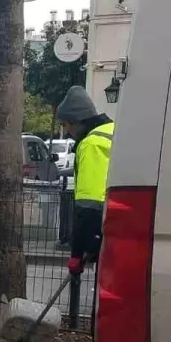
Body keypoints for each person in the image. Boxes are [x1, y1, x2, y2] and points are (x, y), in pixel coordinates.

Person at [56, 86, 113, 274]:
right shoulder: (113, 130)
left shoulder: (91, 144)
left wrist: (77, 253)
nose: (67, 132)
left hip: (106, 234)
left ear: (77, 121)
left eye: (66, 125)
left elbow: (89, 205)